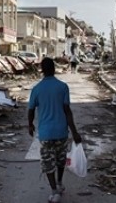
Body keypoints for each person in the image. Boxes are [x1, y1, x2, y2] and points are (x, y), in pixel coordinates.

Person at [28, 57, 82, 203]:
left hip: (45, 133)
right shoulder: (63, 87)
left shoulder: (36, 89)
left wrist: (30, 124)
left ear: (42, 70)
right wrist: (75, 132)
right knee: (60, 160)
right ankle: (59, 183)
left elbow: (31, 110)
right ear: (53, 69)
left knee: (48, 162)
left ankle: (54, 191)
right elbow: (67, 111)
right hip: (61, 132)